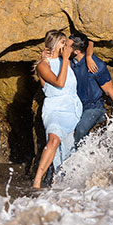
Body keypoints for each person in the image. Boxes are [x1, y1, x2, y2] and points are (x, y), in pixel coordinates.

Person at [32, 30, 82, 188]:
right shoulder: (43, 65)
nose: (66, 46)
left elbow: (86, 46)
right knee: (53, 140)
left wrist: (69, 58)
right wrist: (65, 59)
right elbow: (59, 83)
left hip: (71, 109)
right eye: (63, 43)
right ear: (54, 45)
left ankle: (60, 185)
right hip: (55, 109)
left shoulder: (65, 60)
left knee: (67, 150)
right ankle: (37, 181)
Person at [69, 35, 113, 147]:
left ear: (77, 51)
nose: (63, 48)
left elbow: (109, 90)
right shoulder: (69, 62)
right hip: (76, 107)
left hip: (93, 108)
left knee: (80, 130)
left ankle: (77, 159)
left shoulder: (96, 65)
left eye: (66, 46)